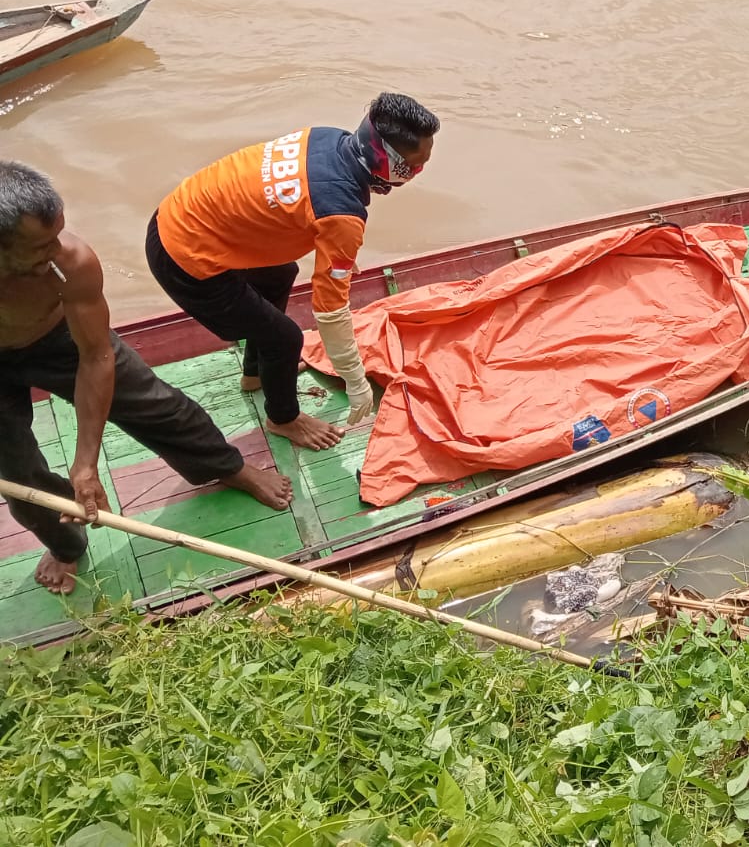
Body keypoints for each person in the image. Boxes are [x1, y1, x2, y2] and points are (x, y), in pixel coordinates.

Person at [0, 161, 293, 594]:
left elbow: (96, 356)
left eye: (58, 234)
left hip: (59, 338)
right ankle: (65, 545)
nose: (56, 250)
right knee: (18, 477)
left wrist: (85, 463)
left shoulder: (71, 262)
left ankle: (228, 467)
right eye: (41, 246)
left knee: (157, 405)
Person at [146, 94, 438, 451]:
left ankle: (255, 374)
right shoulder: (341, 213)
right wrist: (355, 379)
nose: (416, 175)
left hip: (176, 216)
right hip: (184, 259)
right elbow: (330, 314)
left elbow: (287, 204)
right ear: (386, 161)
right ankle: (283, 418)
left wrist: (339, 253)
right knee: (285, 339)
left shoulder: (327, 137)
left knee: (280, 273)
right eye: (412, 168)